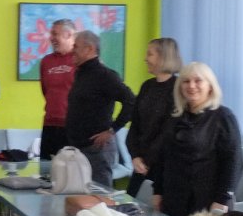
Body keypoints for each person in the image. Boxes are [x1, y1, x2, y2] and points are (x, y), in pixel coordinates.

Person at [152, 61, 242, 216]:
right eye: (186, 81)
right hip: (173, 198)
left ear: (210, 86)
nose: (191, 86)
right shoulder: (174, 116)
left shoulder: (223, 117)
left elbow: (233, 162)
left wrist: (222, 199)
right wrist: (157, 190)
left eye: (198, 80)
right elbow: (162, 157)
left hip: (207, 202)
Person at [65, 30, 135, 189]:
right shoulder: (81, 74)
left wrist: (112, 130)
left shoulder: (105, 75)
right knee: (78, 197)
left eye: (76, 46)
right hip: (78, 148)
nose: (72, 50)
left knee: (100, 197)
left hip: (97, 151)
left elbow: (131, 101)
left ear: (89, 49)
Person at [126, 37, 182, 198]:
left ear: (163, 57)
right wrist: (135, 156)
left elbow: (168, 131)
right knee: (130, 204)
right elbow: (135, 125)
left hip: (163, 166)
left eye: (150, 54)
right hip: (140, 164)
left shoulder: (178, 88)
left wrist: (147, 160)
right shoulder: (147, 86)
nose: (145, 59)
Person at [39, 19, 77, 161]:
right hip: (49, 124)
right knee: (46, 169)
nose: (51, 38)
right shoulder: (46, 61)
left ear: (69, 35)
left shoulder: (80, 60)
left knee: (71, 170)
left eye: (55, 34)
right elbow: (46, 91)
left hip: (73, 126)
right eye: (51, 34)